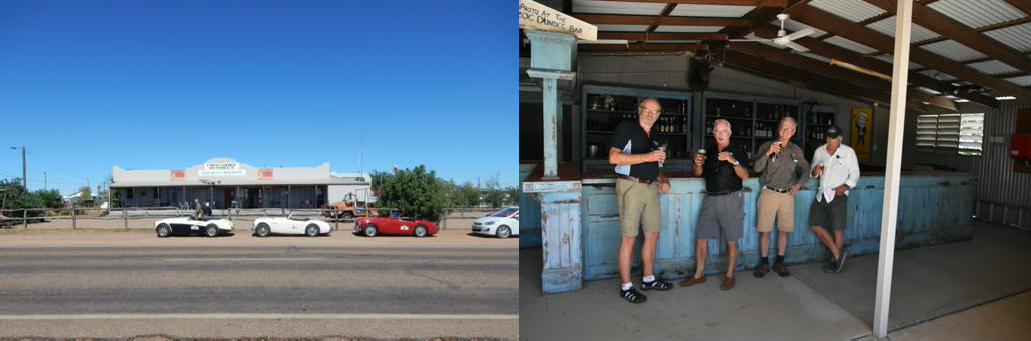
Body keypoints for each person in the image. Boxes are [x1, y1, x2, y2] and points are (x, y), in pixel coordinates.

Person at [608, 97, 673, 304]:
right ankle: (626, 286)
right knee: (629, 238)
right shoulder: (626, 127)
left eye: (655, 112)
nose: (650, 114)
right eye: (646, 109)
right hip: (630, 186)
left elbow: (659, 165)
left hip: (651, 187)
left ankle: (648, 278)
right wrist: (648, 156)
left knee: (652, 234)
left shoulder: (654, 136)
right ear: (639, 110)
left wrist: (664, 180)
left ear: (659, 115)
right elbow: (614, 157)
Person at [680, 119, 750, 291]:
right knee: (701, 237)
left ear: (729, 133)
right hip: (710, 198)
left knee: (731, 239)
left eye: (723, 131)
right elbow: (698, 173)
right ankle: (699, 275)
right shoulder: (709, 151)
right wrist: (697, 163)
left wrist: (733, 160)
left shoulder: (738, 151)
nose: (720, 134)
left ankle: (729, 275)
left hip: (731, 198)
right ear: (713, 133)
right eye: (717, 131)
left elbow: (745, 176)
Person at [752, 117, 810, 278]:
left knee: (784, 231)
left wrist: (798, 185)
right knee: (765, 231)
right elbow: (756, 168)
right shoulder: (766, 146)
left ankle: (780, 261)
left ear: (794, 131)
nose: (787, 132)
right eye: (784, 128)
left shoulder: (796, 150)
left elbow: (806, 169)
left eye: (790, 129)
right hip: (768, 192)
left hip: (787, 195)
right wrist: (768, 152)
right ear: (779, 129)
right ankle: (764, 263)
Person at [809, 125, 860, 273]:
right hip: (821, 194)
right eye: (828, 137)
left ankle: (834, 262)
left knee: (838, 229)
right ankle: (838, 254)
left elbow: (855, 173)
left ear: (840, 138)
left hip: (838, 195)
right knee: (814, 224)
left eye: (833, 138)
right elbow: (813, 172)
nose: (830, 140)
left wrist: (844, 187)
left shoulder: (848, 152)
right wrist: (815, 171)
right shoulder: (820, 151)